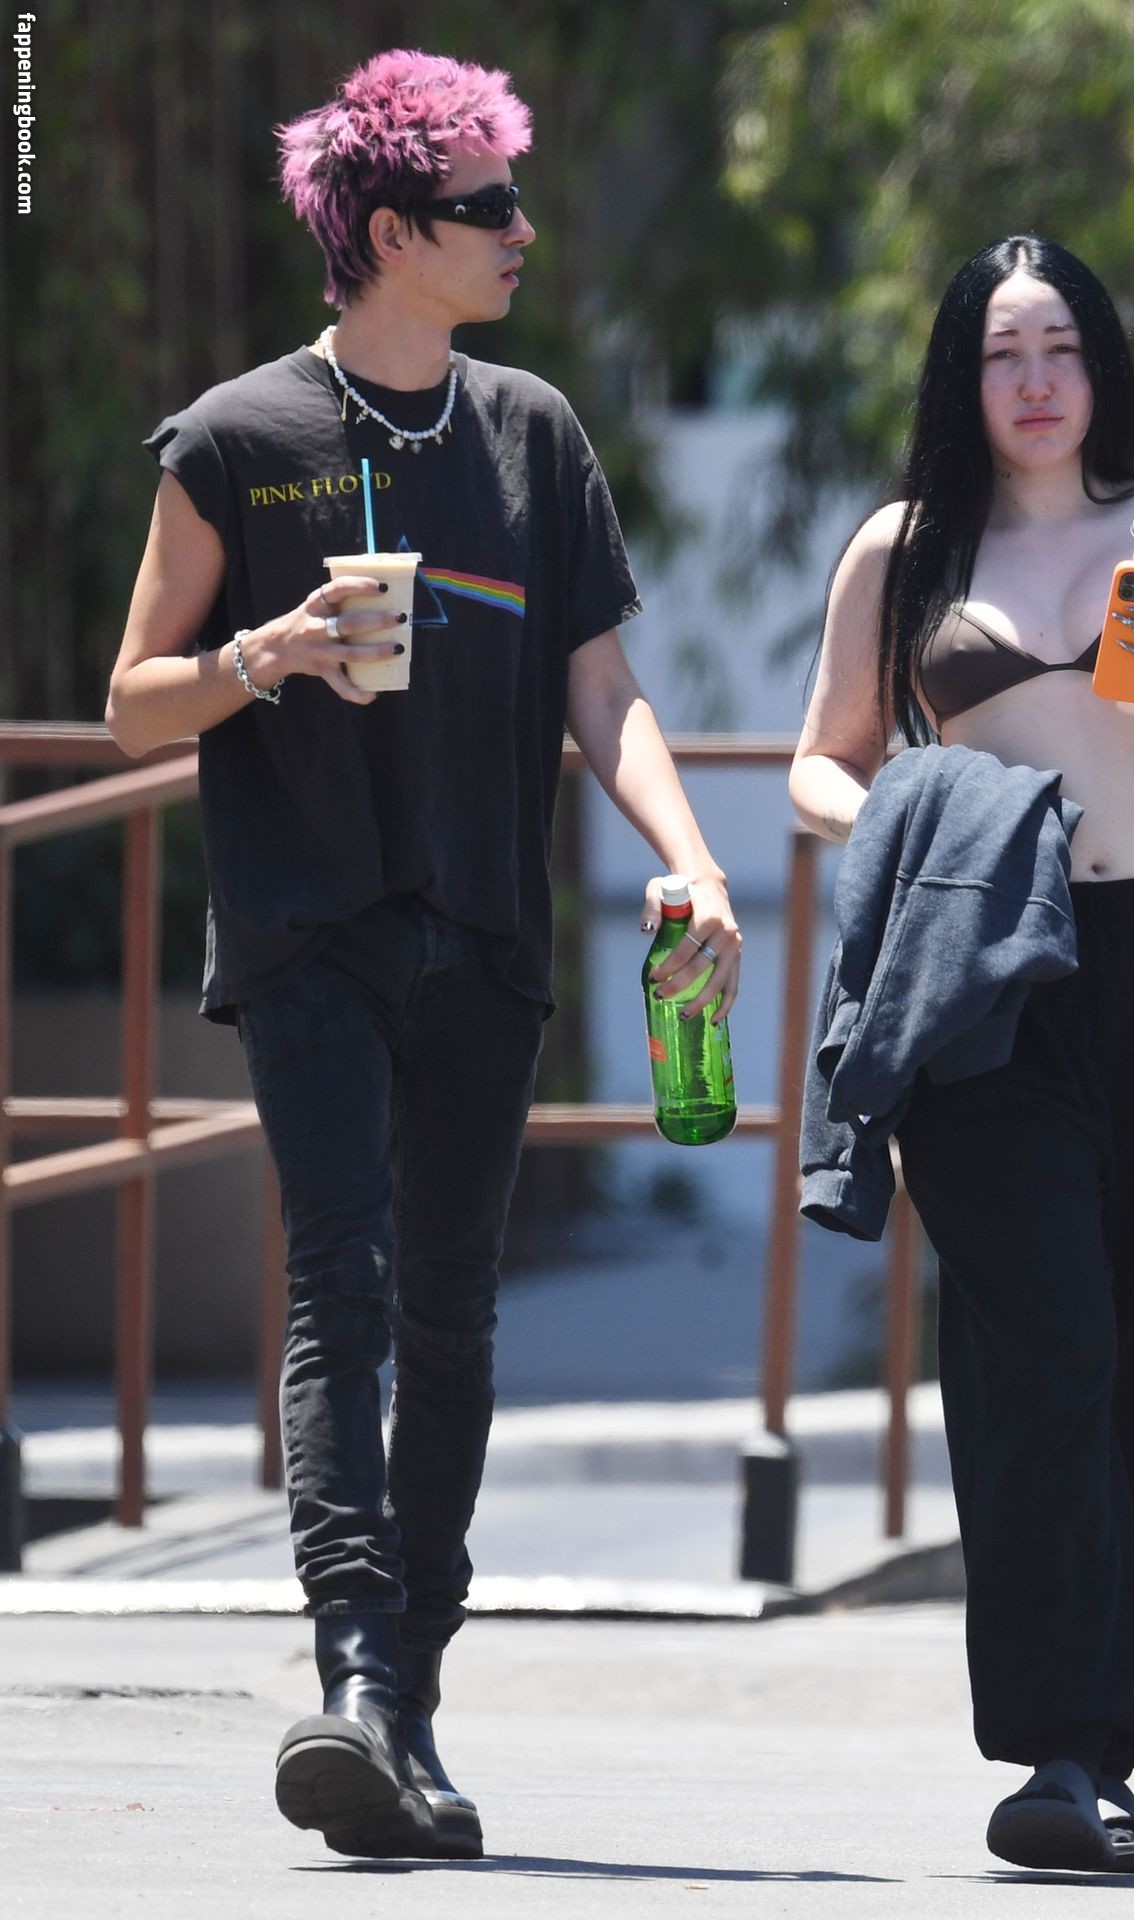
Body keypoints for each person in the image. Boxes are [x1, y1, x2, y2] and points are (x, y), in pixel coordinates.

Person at [105, 50, 741, 1861]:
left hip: (483, 929)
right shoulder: (235, 441)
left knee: (453, 1309)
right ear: (390, 233)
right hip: (308, 924)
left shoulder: (533, 434)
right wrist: (265, 657)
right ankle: (356, 1673)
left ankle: (409, 1701)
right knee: (346, 1284)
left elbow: (601, 691)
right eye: (488, 207)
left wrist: (694, 861)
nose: (523, 230)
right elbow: (133, 699)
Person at [789, 234, 1134, 1874]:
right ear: (960, 378)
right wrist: (917, 818)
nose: (1033, 381)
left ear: (1103, 365)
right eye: (1000, 352)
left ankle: (1119, 1738)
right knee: (1039, 1350)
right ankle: (1059, 1750)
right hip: (990, 973)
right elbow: (822, 769)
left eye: (1060, 348)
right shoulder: (905, 547)